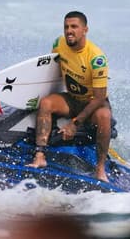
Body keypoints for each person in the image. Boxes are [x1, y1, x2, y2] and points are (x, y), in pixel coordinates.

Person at [27, 11, 112, 182]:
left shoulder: (96, 58)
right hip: (72, 98)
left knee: (104, 116)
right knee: (46, 103)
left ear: (85, 30)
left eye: (74, 27)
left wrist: (75, 123)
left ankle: (100, 168)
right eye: (66, 27)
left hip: (93, 103)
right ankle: (40, 156)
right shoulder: (59, 43)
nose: (69, 31)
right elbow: (53, 72)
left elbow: (100, 98)